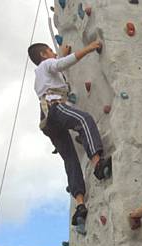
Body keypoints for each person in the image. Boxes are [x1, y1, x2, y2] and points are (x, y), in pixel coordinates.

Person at [27, 41, 110, 229]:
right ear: (43, 55)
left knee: (70, 159)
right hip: (56, 108)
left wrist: (59, 54)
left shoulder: (40, 74)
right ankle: (97, 163)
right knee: (84, 120)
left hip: (47, 120)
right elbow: (60, 64)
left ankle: (80, 205)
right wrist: (89, 48)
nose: (52, 53)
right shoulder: (45, 65)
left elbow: (57, 64)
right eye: (49, 50)